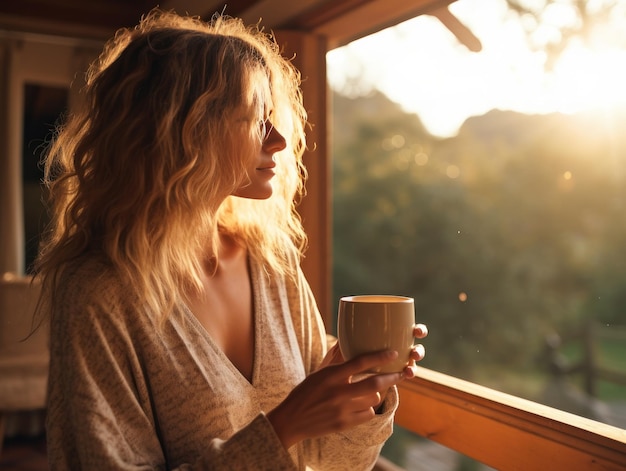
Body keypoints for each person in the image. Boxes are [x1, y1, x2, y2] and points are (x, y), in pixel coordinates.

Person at [35, 9, 428, 470]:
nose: (279, 140)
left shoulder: (270, 261)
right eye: (255, 119)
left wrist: (361, 393)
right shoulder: (100, 293)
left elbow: (325, 461)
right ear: (182, 132)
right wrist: (285, 426)